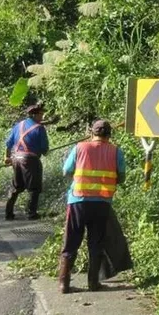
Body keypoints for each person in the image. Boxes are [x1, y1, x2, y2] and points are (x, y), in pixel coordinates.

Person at [58, 119, 126, 294]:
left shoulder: (80, 148)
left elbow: (66, 171)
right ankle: (93, 283)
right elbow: (121, 176)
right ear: (109, 134)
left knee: (71, 241)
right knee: (96, 242)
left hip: (78, 201)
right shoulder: (115, 151)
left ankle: (63, 284)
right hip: (102, 203)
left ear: (92, 133)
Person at [4, 102, 49, 220]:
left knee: (16, 187)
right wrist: (44, 151)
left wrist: (6, 157)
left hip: (16, 158)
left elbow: (8, 144)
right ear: (34, 115)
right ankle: (31, 213)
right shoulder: (40, 128)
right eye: (41, 114)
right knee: (34, 188)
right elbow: (44, 149)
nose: (42, 116)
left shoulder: (18, 125)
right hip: (30, 160)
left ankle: (8, 213)